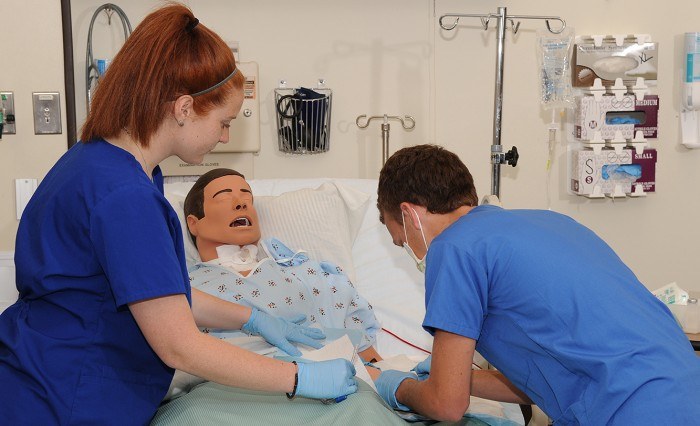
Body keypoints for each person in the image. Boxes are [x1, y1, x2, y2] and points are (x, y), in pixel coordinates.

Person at [0, 4, 355, 425]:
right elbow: (179, 345)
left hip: (40, 370)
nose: (224, 137)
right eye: (224, 122)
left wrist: (254, 319)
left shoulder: (105, 162)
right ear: (184, 108)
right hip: (64, 397)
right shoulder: (125, 196)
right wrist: (298, 377)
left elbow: (159, 292)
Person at [373, 144, 700, 424]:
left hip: (627, 410)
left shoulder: (454, 248)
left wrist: (399, 387)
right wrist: (459, 379)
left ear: (410, 214)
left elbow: (447, 406)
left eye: (402, 240)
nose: (411, 252)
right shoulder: (552, 222)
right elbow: (541, 381)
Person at [183, 168, 382, 363]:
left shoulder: (306, 273)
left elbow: (367, 356)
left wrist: (390, 377)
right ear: (193, 223)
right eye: (224, 197)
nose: (241, 204)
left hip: (323, 376)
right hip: (224, 385)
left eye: (247, 198)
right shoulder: (182, 286)